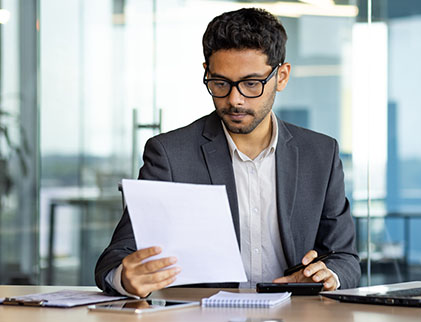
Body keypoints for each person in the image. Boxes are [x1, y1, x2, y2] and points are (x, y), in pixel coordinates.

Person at [95, 7, 360, 298]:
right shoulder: (170, 154)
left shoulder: (320, 153)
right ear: (206, 73)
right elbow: (116, 256)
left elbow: (344, 258)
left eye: (251, 84)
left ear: (281, 76)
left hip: (295, 313)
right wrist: (126, 277)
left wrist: (328, 274)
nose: (234, 100)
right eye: (220, 83)